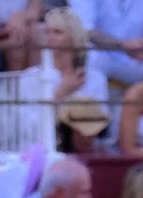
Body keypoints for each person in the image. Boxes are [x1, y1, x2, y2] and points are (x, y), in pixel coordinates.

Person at [38, 7, 107, 152]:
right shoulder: (33, 76)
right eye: (47, 32)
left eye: (57, 32)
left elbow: (99, 122)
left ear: (73, 37)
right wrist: (61, 93)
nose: (50, 38)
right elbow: (31, 125)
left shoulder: (96, 78)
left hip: (84, 146)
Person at [70, 0, 143, 92]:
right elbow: (83, 29)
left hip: (138, 59)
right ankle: (90, 113)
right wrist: (123, 45)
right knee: (87, 58)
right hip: (100, 54)